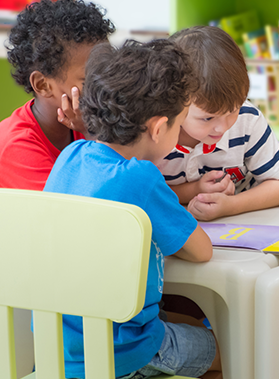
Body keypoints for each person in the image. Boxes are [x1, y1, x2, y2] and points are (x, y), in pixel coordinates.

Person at [45, 39, 222, 379]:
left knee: (184, 324)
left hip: (61, 347)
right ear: (158, 128)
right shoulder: (139, 177)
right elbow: (201, 251)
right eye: (180, 122)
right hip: (122, 351)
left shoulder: (71, 156)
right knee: (235, 349)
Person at [156, 25, 279, 221]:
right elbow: (139, 193)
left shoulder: (247, 119)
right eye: (207, 118)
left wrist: (231, 206)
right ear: (174, 102)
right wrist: (193, 190)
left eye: (233, 111)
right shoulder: (155, 132)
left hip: (242, 228)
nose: (222, 128)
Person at [0, 0, 115, 190]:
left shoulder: (89, 115)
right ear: (43, 85)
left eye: (110, 72)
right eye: (89, 80)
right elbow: (84, 208)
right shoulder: (16, 146)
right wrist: (90, 133)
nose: (109, 85)